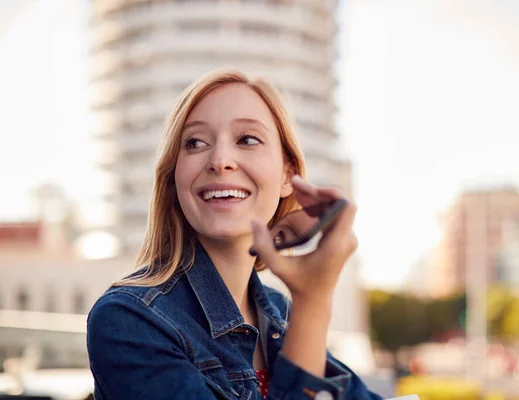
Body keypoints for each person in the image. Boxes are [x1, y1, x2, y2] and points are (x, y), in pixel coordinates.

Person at [86, 69, 383, 400]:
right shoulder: (130, 320)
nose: (220, 160)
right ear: (174, 178)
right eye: (195, 142)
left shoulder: (280, 313)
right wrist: (314, 301)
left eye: (248, 139)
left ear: (288, 176)